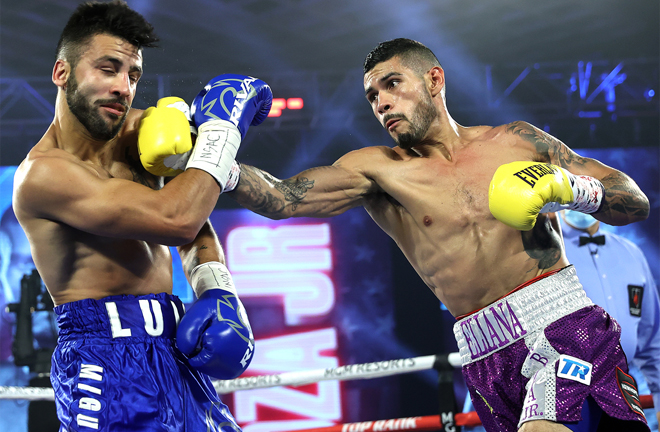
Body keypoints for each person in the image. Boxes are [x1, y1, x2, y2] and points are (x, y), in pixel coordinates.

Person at [206, 38, 650, 431]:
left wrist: (572, 188)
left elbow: (632, 198)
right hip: (485, 357)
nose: (381, 102)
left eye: (392, 84)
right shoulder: (378, 171)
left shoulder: (516, 141)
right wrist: (211, 153)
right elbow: (282, 198)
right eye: (372, 96)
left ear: (434, 79)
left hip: (564, 327)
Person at [12, 1, 272, 431]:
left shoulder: (143, 133)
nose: (123, 87)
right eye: (108, 68)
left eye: (133, 75)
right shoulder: (43, 175)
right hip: (105, 360)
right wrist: (223, 130)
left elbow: (193, 222)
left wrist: (215, 287)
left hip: (173, 350)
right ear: (62, 73)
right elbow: (177, 219)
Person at [560, 210, 660, 431]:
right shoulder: (541, 253)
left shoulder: (631, 253)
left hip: (622, 387)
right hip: (562, 388)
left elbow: (652, 337)